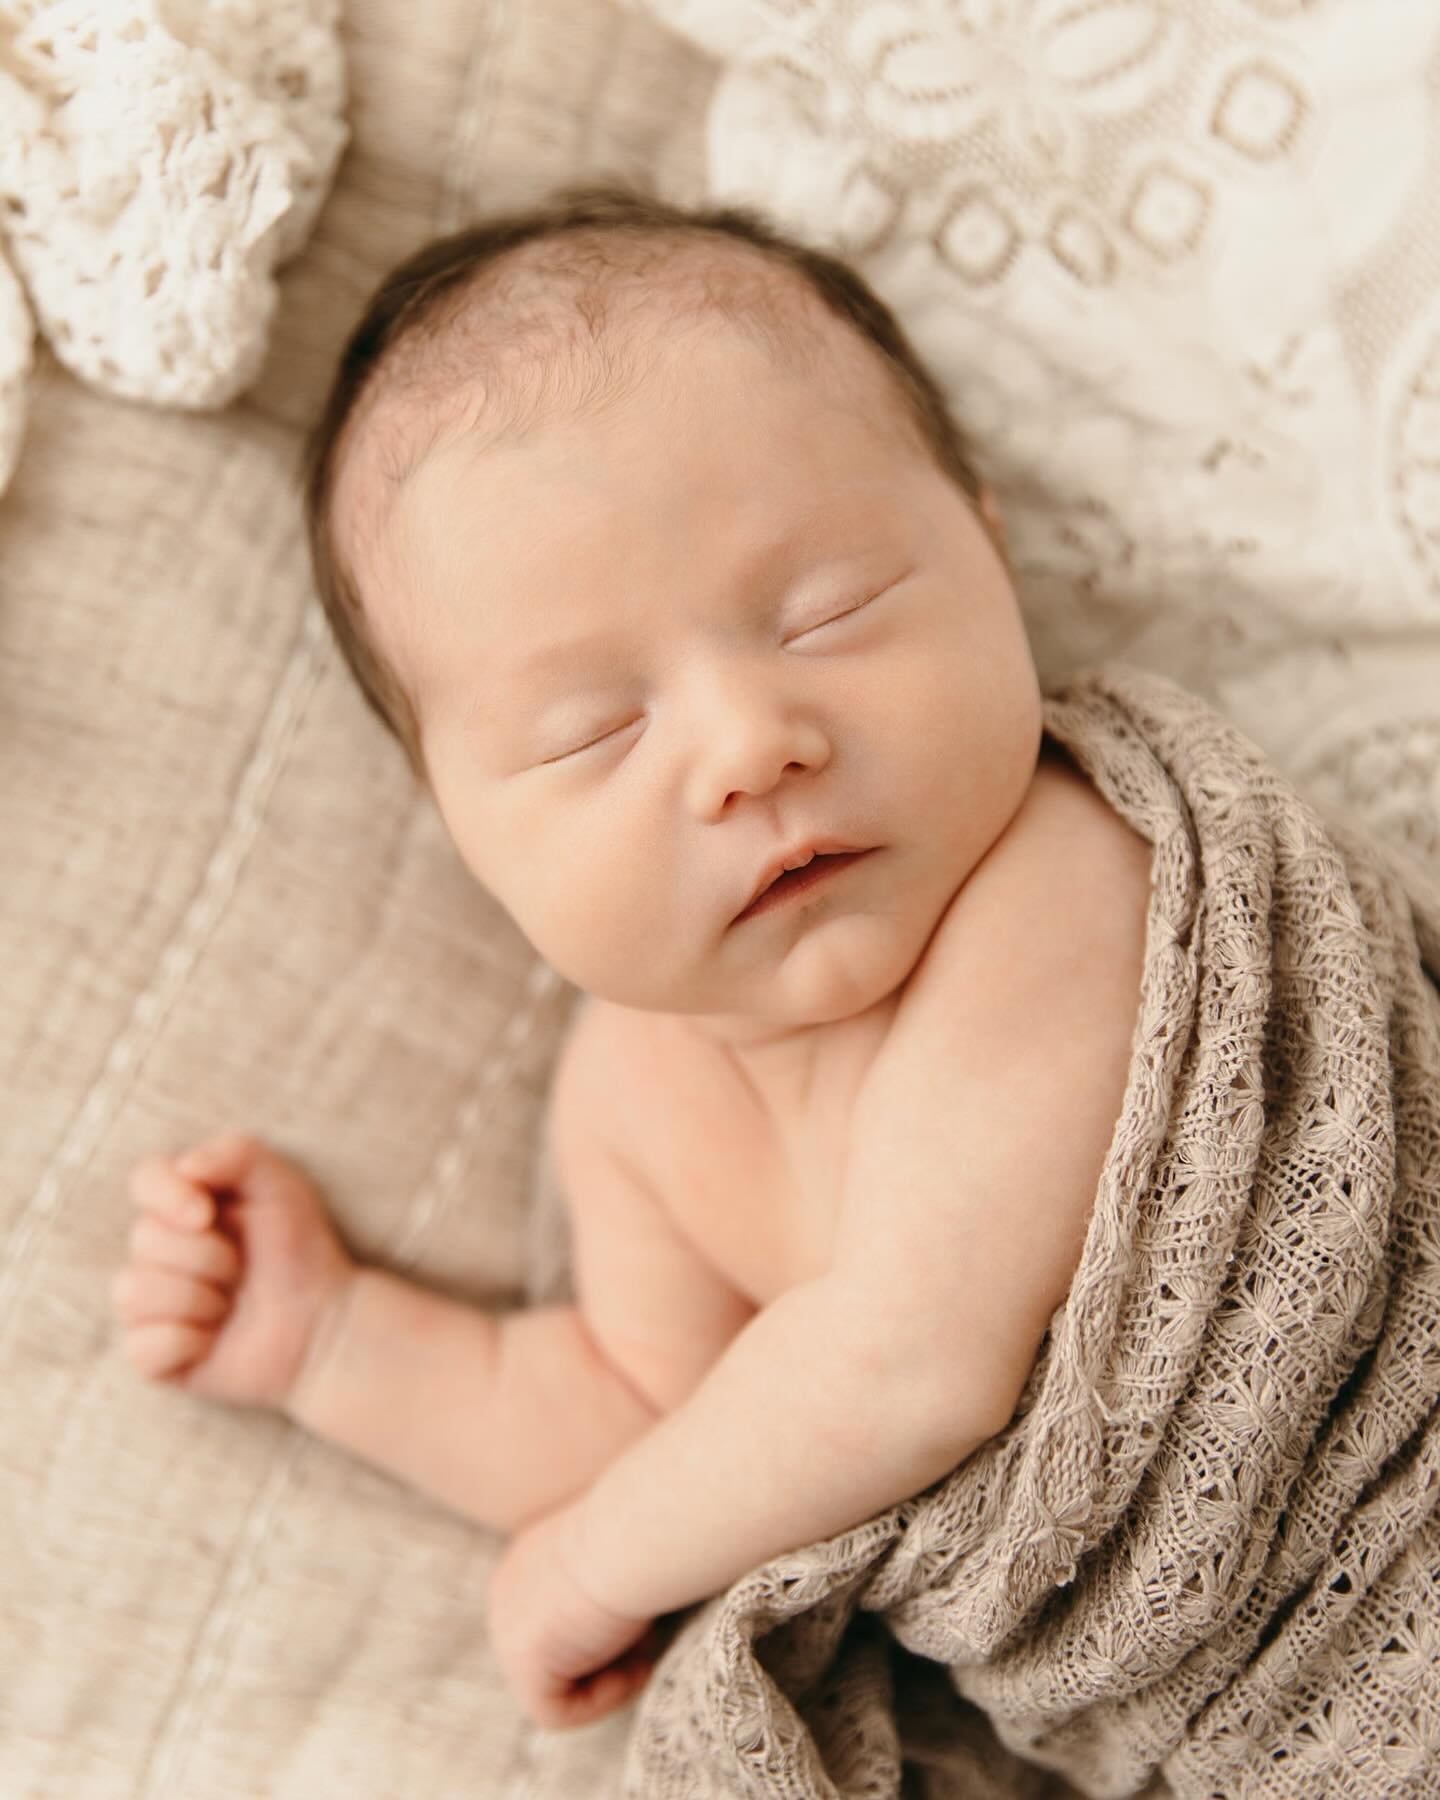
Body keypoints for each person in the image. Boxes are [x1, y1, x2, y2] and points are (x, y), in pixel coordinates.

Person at [108, 184, 1153, 1729]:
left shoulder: (1062, 871)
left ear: (990, 554)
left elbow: (910, 1362)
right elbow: (674, 1434)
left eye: (830, 611)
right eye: (596, 734)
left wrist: (596, 1562)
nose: (746, 745)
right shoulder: (633, 1097)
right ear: (466, 830)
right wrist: (337, 1345)